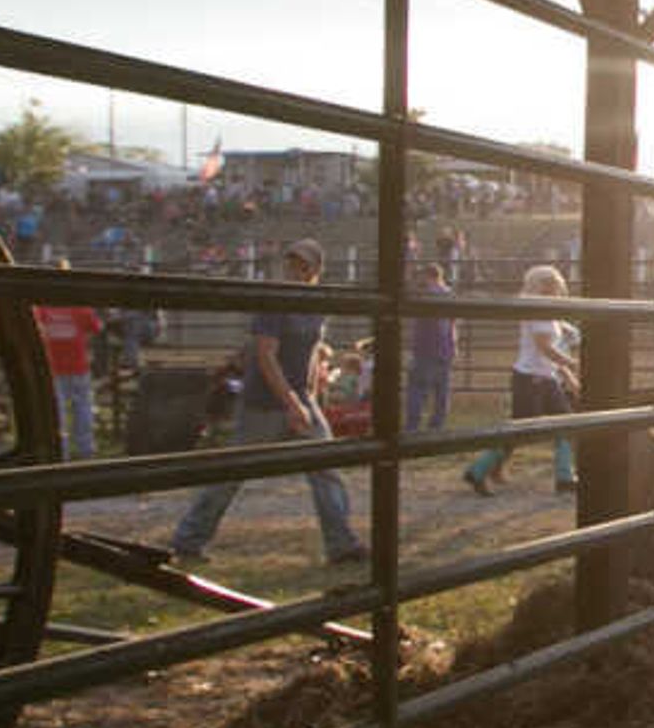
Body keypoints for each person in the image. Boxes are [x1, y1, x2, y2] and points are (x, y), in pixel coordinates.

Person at [169, 237, 366, 569]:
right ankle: (188, 540)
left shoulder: (317, 305)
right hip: (263, 402)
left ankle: (342, 545)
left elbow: (312, 352)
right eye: (291, 263)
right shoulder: (275, 301)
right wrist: (291, 401)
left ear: (315, 270)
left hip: (301, 400)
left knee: (326, 469)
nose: (294, 270)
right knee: (233, 473)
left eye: (302, 265)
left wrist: (313, 398)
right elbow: (264, 354)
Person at [464, 262, 578, 495]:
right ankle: (477, 471)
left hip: (545, 378)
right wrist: (571, 364)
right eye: (552, 285)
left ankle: (565, 477)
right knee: (523, 431)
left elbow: (553, 349)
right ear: (543, 287)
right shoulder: (538, 311)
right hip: (530, 379)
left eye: (556, 285)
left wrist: (566, 374)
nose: (557, 289)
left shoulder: (548, 313)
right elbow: (544, 347)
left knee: (567, 424)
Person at [32, 248, 103, 459]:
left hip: (52, 366)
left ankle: (60, 452)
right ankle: (85, 449)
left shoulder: (41, 308)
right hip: (77, 365)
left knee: (57, 412)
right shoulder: (78, 306)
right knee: (83, 408)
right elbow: (96, 327)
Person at [405, 258, 456, 433]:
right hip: (444, 350)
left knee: (417, 390)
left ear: (428, 276)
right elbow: (451, 326)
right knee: (441, 392)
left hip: (425, 349)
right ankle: (437, 426)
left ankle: (412, 427)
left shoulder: (423, 294)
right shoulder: (449, 294)